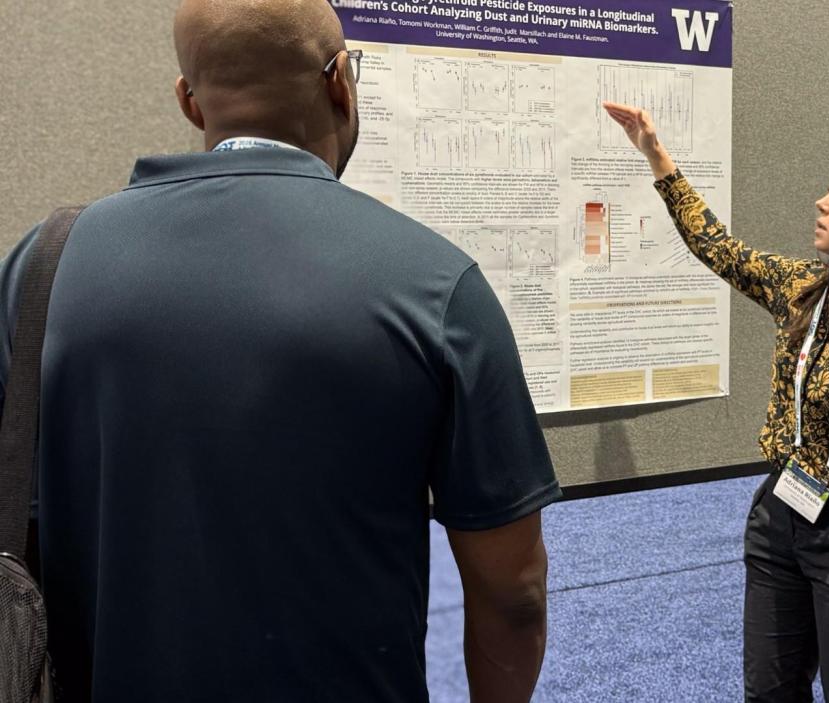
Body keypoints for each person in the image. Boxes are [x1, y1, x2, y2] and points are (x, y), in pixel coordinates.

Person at [0, 1, 561, 701]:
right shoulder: (437, 284)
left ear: (189, 101)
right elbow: (514, 592)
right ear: (339, 83)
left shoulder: (39, 267)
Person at [603, 102, 829, 702]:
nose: (821, 202)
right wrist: (657, 157)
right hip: (779, 515)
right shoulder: (800, 291)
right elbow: (717, 247)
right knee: (768, 691)